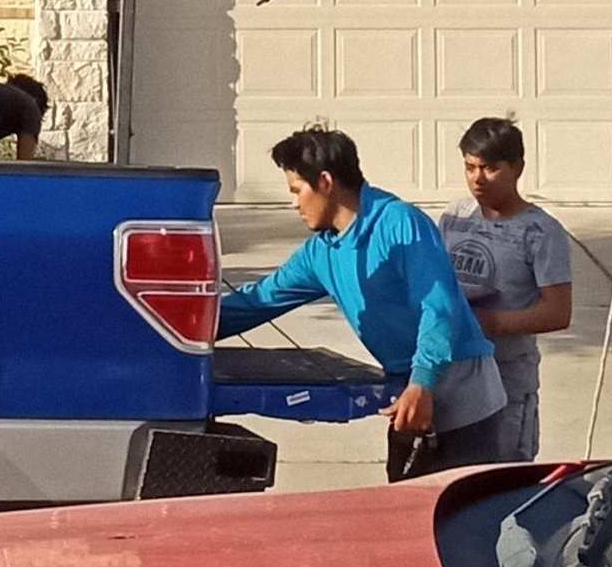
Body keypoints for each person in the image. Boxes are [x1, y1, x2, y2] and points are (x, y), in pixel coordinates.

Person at [215, 127, 511, 478]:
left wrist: (423, 382)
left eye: (297, 190)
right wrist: (173, 330)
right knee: (404, 519)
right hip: (407, 398)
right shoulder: (322, 251)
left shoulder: (400, 223)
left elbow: (439, 307)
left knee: (467, 523)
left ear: (325, 182)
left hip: (462, 399)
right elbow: (257, 302)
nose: (293, 203)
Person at [439, 116, 573, 462]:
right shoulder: (456, 216)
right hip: (453, 374)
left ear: (517, 168)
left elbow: (557, 312)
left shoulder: (541, 232)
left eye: (489, 168)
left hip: (507, 378)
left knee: (500, 475)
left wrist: (491, 323)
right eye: (469, 167)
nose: (477, 179)